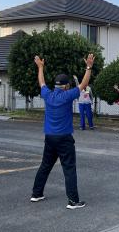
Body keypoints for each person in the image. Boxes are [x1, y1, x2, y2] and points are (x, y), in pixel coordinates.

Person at [30, 53, 95, 209]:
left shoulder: (48, 95)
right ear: (66, 86)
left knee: (45, 165)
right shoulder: (67, 95)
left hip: (50, 137)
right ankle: (73, 201)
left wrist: (40, 67)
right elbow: (84, 84)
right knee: (69, 168)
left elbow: (42, 83)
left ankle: (36, 194)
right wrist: (88, 67)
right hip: (64, 138)